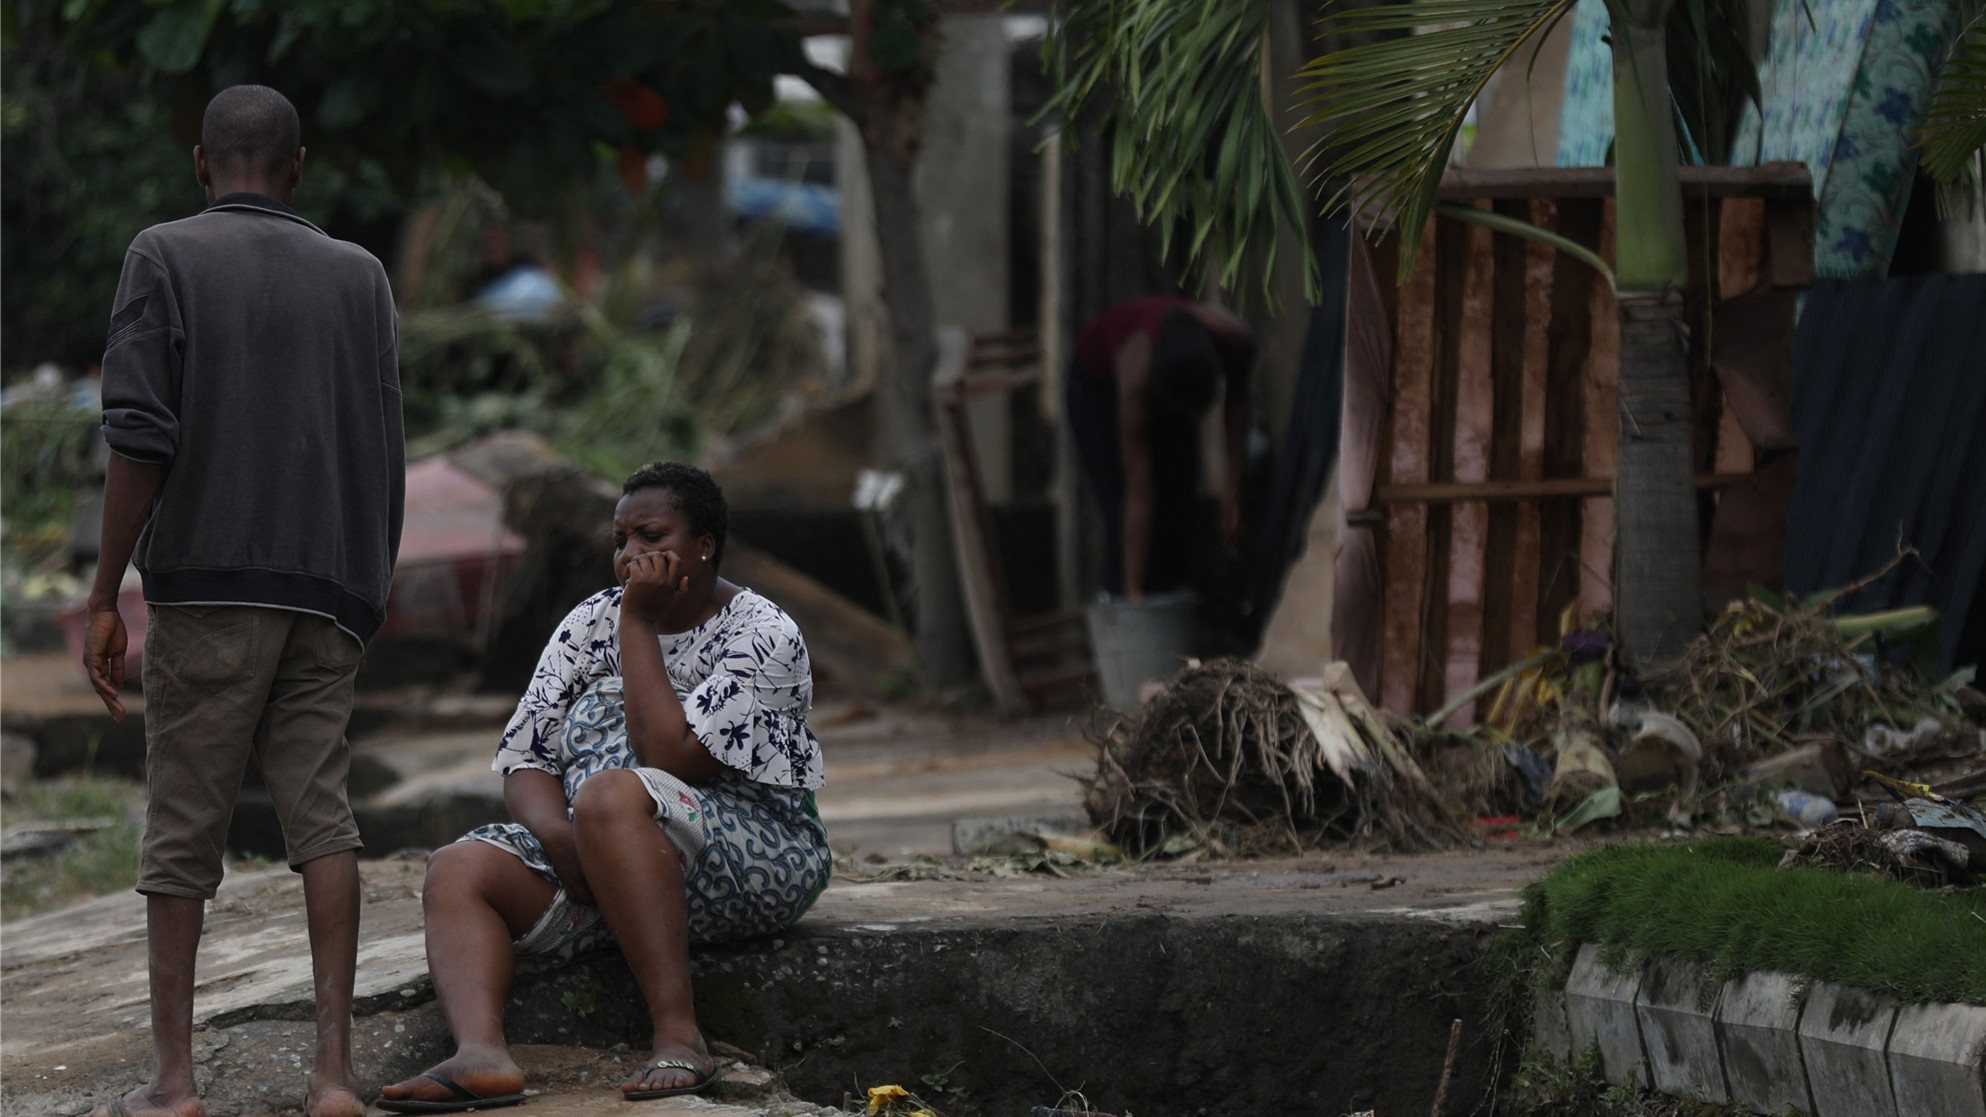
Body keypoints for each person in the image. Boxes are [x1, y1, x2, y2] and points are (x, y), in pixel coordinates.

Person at [82, 86, 403, 1117]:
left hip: (209, 587)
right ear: (298, 165)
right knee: (324, 821)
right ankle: (335, 1077)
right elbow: (385, 444)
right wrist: (367, 587)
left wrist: (104, 592)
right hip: (327, 590)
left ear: (200, 163)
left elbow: (141, 434)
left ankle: (175, 1082)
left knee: (184, 827)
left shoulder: (163, 257)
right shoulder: (360, 276)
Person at [379, 463, 831, 1113]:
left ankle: (679, 1034)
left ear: (704, 544)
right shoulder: (589, 620)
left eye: (651, 535)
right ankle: (481, 1052)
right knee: (458, 867)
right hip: (604, 849)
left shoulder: (762, 632)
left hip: (754, 848)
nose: (630, 556)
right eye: (621, 540)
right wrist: (562, 838)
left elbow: (668, 756)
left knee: (609, 794)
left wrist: (640, 624)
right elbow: (527, 757)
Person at [1066, 297, 1255, 601]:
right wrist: (1133, 592)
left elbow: (1237, 402)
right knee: (1122, 506)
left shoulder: (1235, 338)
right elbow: (1138, 491)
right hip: (1097, 386)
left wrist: (1233, 488)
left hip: (1170, 371)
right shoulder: (1135, 384)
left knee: (1179, 496)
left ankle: (1172, 598)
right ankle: (1122, 595)